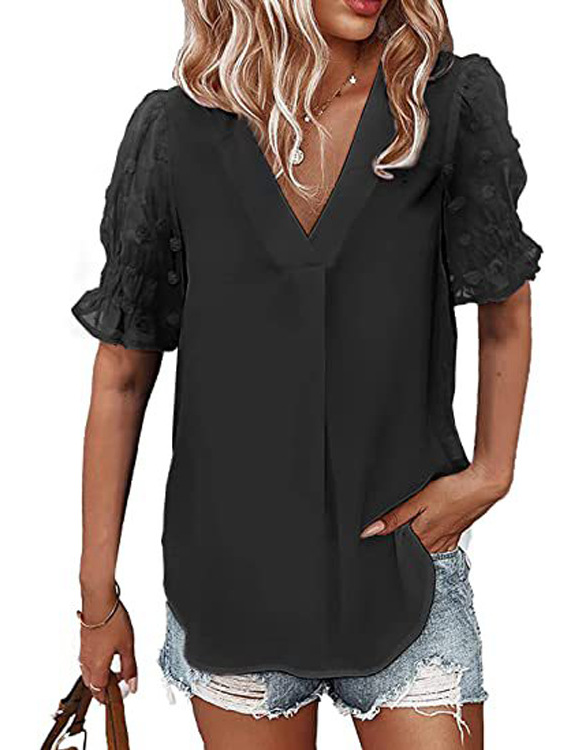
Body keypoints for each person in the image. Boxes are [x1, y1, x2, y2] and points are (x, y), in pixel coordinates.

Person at [71, 1, 542, 747]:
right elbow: (122, 374)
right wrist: (98, 601)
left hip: (405, 572)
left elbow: (506, 305)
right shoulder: (178, 133)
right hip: (232, 585)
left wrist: (492, 472)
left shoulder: (441, 106)